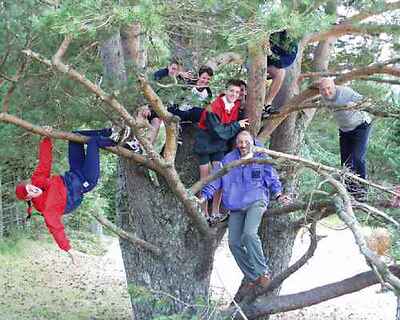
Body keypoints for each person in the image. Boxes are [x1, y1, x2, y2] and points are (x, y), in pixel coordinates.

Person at [15, 126, 130, 256]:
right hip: (85, 181)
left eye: (30, 186)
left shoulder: (37, 181)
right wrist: (67, 249)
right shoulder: (47, 208)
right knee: (94, 142)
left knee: (75, 136)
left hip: (74, 172)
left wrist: (46, 137)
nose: (33, 188)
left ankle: (109, 132)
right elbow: (56, 229)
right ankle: (118, 141)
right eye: (29, 191)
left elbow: (44, 162)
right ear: (28, 198)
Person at [200, 130, 290, 288]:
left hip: (256, 200)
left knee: (249, 234)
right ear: (236, 143)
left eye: (246, 142)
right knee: (234, 243)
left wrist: (278, 195)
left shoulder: (261, 157)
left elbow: (272, 178)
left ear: (252, 142)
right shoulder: (228, 160)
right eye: (240, 142)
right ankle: (254, 277)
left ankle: (263, 272)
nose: (242, 145)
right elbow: (215, 180)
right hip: (236, 206)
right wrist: (204, 196)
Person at [194, 79, 249, 221]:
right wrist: (237, 125)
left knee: (219, 176)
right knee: (205, 178)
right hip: (206, 142)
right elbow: (219, 132)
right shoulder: (213, 107)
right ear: (225, 91)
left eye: (237, 92)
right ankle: (203, 211)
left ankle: (215, 211)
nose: (234, 94)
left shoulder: (236, 105)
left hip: (219, 145)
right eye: (231, 91)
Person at [319, 77, 372, 200]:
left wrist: (355, 106)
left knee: (358, 157)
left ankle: (362, 191)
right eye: (323, 90)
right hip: (345, 130)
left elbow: (367, 102)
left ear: (334, 86)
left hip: (361, 126)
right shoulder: (323, 98)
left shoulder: (345, 92)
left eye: (329, 88)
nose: (326, 92)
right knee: (346, 163)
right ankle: (350, 193)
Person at [262, 30, 298, 118]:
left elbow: (283, 63)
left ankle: (266, 104)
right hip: (253, 60)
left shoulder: (293, 45)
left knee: (281, 72)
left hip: (268, 64)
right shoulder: (273, 30)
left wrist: (270, 54)